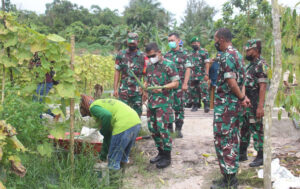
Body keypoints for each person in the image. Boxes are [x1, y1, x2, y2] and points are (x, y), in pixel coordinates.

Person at [211, 28, 250, 189]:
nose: (215, 43)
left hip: (226, 106)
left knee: (224, 140)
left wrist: (241, 97)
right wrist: (243, 97)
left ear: (221, 39)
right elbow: (243, 81)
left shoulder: (227, 56)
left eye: (215, 39)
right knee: (232, 139)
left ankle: (229, 180)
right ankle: (229, 177)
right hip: (233, 106)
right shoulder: (238, 55)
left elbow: (231, 82)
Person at [79, 95, 141, 171]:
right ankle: (120, 181)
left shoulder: (93, 107)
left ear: (86, 110)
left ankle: (113, 183)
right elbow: (107, 137)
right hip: (135, 122)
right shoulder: (101, 104)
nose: (91, 117)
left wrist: (104, 130)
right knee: (122, 157)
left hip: (123, 125)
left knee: (113, 161)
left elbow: (107, 116)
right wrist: (103, 156)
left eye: (89, 115)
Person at [142, 42, 179, 169]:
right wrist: (145, 87)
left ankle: (167, 156)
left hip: (164, 103)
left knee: (163, 129)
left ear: (159, 53)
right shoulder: (150, 66)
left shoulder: (169, 65)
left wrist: (162, 87)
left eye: (152, 55)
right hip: (152, 103)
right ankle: (160, 152)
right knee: (153, 129)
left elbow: (175, 83)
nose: (151, 58)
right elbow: (147, 79)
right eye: (148, 56)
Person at [239, 39, 268, 168]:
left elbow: (263, 87)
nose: (247, 52)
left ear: (256, 50)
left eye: (249, 50)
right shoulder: (250, 65)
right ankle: (242, 153)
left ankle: (261, 155)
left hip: (255, 102)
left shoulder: (262, 64)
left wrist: (260, 107)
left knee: (257, 129)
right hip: (247, 103)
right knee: (244, 128)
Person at [164, 33, 192, 138]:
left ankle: (178, 129)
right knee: (168, 107)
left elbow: (188, 69)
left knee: (179, 107)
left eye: (172, 40)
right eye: (169, 41)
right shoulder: (166, 55)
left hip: (180, 86)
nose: (170, 42)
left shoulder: (185, 54)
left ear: (178, 40)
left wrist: (185, 83)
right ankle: (170, 128)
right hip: (169, 86)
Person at [113, 32, 146, 116]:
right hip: (124, 90)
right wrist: (115, 89)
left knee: (136, 114)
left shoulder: (143, 56)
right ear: (127, 42)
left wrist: (145, 90)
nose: (131, 44)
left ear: (137, 42)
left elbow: (146, 74)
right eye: (130, 42)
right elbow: (117, 71)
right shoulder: (121, 54)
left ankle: (136, 129)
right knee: (122, 113)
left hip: (137, 91)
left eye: (133, 42)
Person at [30, 53, 60, 121]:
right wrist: (32, 61)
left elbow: (53, 63)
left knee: (38, 102)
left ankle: (39, 122)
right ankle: (54, 115)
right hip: (40, 82)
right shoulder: (36, 57)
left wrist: (45, 60)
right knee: (37, 101)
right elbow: (30, 67)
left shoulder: (46, 55)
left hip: (47, 82)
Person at [189, 36, 210, 112]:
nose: (195, 44)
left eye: (197, 43)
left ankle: (206, 105)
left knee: (204, 89)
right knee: (193, 91)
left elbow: (207, 63)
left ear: (199, 43)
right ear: (191, 44)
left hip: (202, 75)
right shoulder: (190, 53)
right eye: (194, 43)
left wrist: (207, 74)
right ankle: (195, 105)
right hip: (193, 75)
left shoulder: (204, 52)